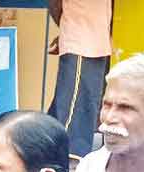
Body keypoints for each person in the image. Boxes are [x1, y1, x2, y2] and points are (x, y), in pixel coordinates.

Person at [46, 0, 113, 158]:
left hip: (98, 43)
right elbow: (54, 4)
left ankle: (44, 147)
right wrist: (66, 28)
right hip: (81, 43)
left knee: (75, 105)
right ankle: (68, 159)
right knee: (76, 111)